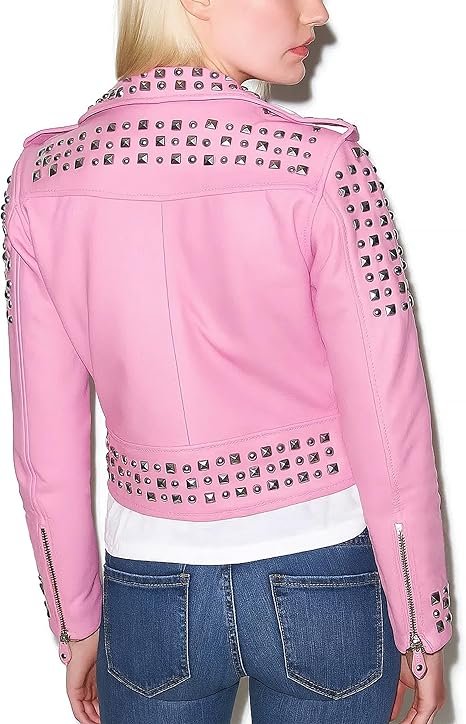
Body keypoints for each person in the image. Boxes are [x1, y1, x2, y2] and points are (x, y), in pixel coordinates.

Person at [2, 0, 453, 722]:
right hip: (325, 579)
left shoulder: (43, 179)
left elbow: (42, 446)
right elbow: (389, 416)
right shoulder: (322, 165)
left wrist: (74, 619)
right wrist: (422, 623)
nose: (318, 11)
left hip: (147, 590)